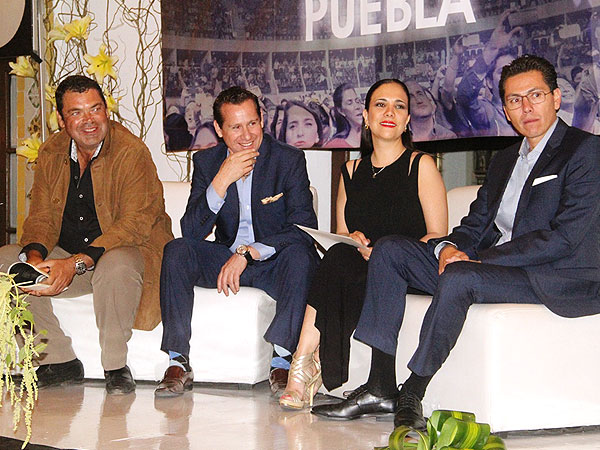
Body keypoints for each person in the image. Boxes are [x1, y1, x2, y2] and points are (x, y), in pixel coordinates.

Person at [311, 55, 600, 430]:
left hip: (553, 276)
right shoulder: (504, 161)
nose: (526, 107)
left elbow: (563, 238)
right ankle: (380, 385)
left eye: (536, 95)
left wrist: (481, 259)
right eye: (514, 100)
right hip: (494, 268)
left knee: (461, 276)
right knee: (391, 249)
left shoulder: (584, 150)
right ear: (506, 110)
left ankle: (413, 390)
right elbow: (475, 223)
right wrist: (447, 247)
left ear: (556, 98)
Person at [279, 79, 447, 410]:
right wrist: (353, 239)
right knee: (339, 255)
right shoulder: (350, 170)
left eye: (399, 106)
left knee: (347, 262)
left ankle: (305, 366)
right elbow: (343, 233)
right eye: (381, 105)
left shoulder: (421, 165)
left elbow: (437, 235)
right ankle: (303, 358)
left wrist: (384, 252)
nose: (390, 112)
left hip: (405, 268)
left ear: (407, 120)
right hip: (359, 265)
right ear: (366, 117)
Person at [0, 75, 173, 394]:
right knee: (6, 261)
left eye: (95, 109)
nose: (89, 120)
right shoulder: (51, 151)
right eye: (76, 112)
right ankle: (57, 361)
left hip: (127, 253)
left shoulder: (131, 151)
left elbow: (134, 224)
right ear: (61, 119)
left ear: (106, 111)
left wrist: (75, 263)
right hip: (69, 257)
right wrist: (35, 259)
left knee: (115, 264)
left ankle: (115, 367)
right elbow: (41, 216)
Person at [155, 86, 319, 397]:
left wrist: (248, 252)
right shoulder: (207, 163)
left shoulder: (288, 160)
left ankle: (282, 360)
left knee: (301, 256)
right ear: (219, 129)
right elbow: (191, 231)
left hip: (272, 262)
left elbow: (304, 227)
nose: (247, 136)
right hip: (225, 258)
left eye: (252, 123)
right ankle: (177, 361)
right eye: (235, 127)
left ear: (262, 120)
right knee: (177, 250)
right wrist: (221, 180)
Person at [325, 83, 363, 148]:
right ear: (341, 111)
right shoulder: (335, 145)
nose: (357, 107)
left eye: (357, 101)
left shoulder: (375, 136)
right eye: (350, 103)